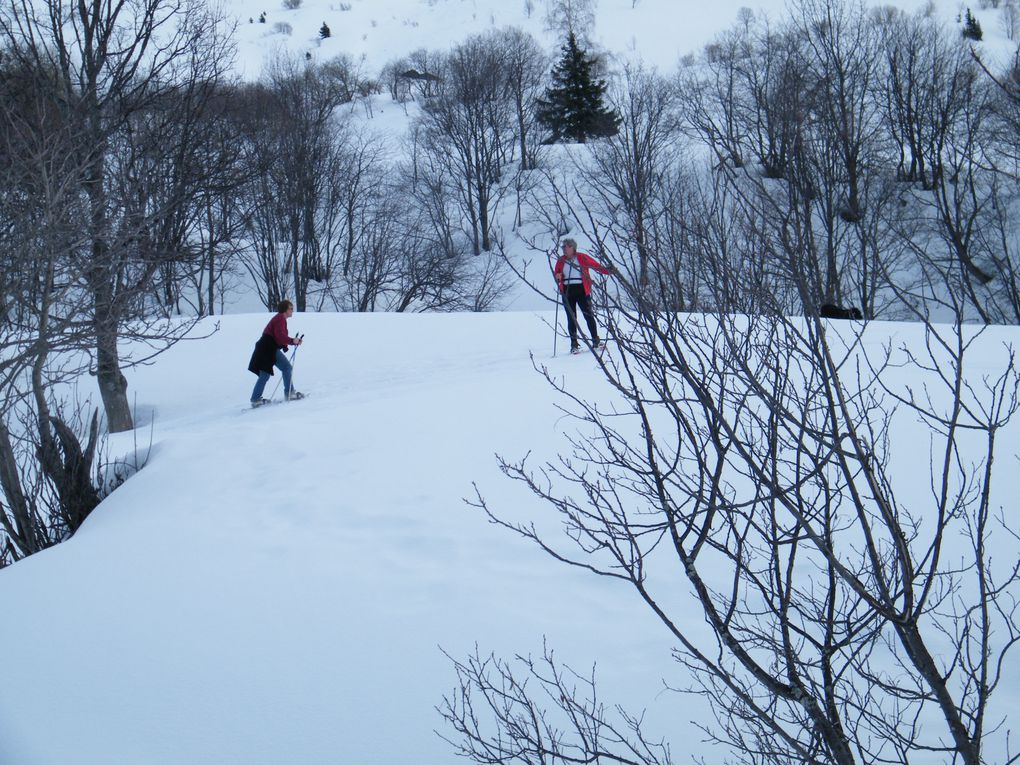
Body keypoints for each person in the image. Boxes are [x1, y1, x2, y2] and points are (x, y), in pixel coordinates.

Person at [553, 238, 614, 353]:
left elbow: (595, 266)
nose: (563, 249)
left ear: (572, 247)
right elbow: (556, 272)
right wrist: (558, 276)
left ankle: (595, 341)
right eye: (563, 247)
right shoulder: (561, 260)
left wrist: (608, 271)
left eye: (565, 247)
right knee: (571, 318)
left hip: (582, 289)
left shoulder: (582, 257)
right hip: (567, 290)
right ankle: (574, 345)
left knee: (588, 315)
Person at [247, 299, 304, 407]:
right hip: (267, 348)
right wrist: (292, 340)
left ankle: (255, 400)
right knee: (286, 368)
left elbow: (279, 338)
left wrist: (292, 341)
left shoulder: (280, 319)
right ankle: (289, 394)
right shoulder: (280, 319)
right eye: (291, 308)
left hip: (266, 347)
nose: (292, 311)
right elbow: (280, 337)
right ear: (285, 310)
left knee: (265, 375)